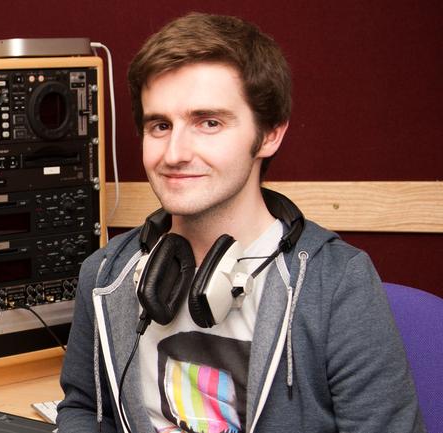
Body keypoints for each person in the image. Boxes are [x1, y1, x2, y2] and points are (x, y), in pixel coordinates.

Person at [57, 12, 424, 433]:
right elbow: (83, 408)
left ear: (269, 134)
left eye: (208, 123)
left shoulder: (337, 283)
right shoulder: (106, 274)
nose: (174, 153)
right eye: (159, 125)